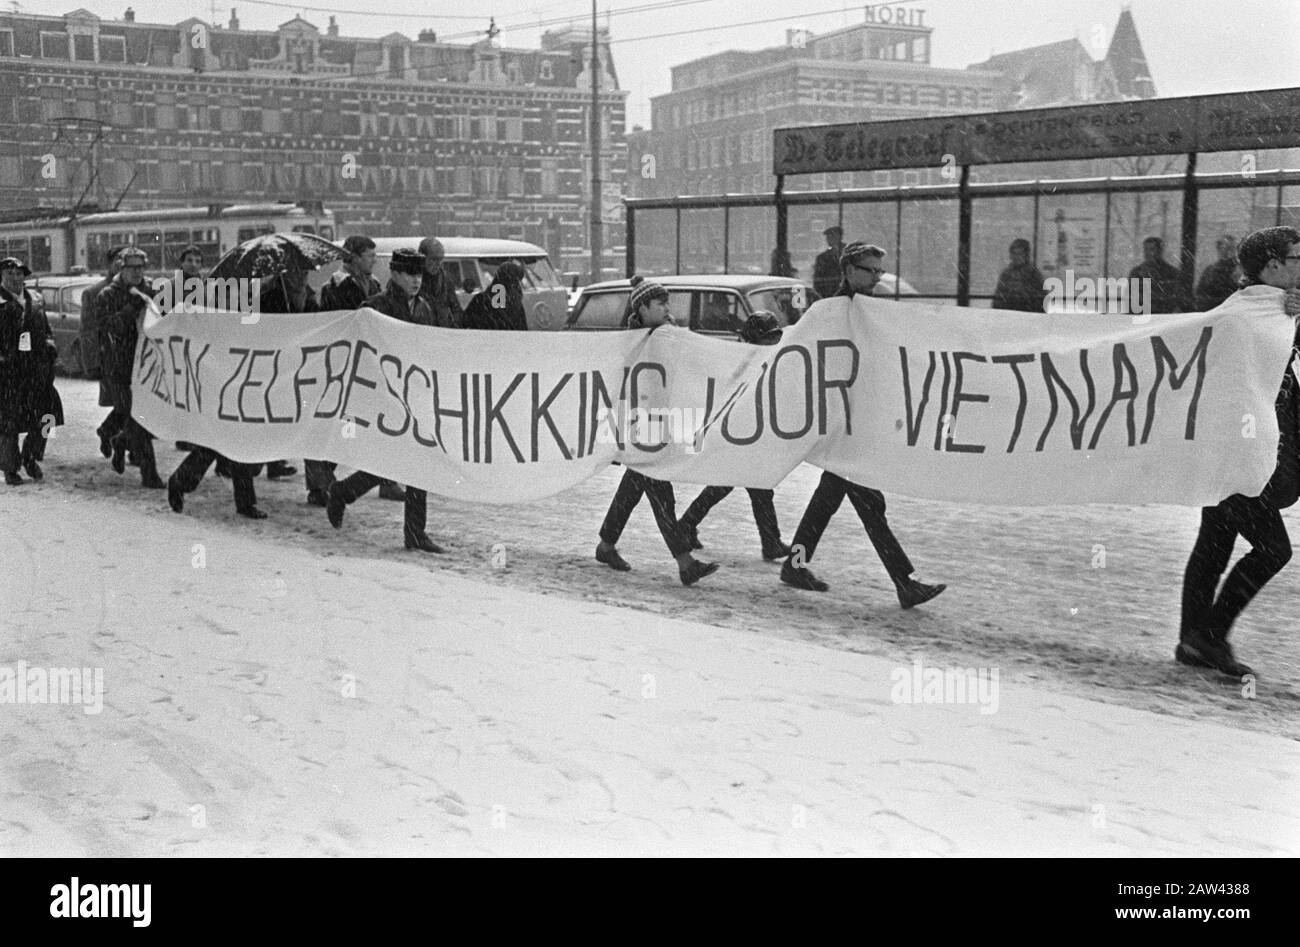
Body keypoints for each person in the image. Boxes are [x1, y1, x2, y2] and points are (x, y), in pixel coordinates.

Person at [780, 242, 947, 610]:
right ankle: (904, 583)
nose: (876, 278)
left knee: (830, 499)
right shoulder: (830, 312)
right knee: (869, 505)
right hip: (844, 426)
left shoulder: (876, 312)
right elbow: (804, 356)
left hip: (862, 424)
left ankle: (795, 565)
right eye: (869, 270)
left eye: (879, 272)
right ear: (849, 270)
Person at [1177, 226, 1300, 677]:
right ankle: (1208, 636)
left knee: (1214, 543)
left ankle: (1194, 640)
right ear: (1273, 266)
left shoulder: (1271, 311)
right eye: (1297, 258)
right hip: (1237, 453)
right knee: (1273, 549)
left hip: (1240, 451)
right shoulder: (1240, 317)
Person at [594, 276, 720, 586]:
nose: (667, 307)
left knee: (632, 489)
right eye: (660, 303)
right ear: (644, 307)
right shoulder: (632, 341)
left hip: (658, 424)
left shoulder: (664, 335)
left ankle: (606, 545)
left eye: (667, 302)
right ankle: (684, 562)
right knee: (662, 496)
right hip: (641, 428)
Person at [326, 249, 445, 553]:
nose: (416, 280)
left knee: (414, 459)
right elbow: (359, 348)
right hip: (383, 395)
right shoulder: (376, 308)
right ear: (394, 274)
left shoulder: (424, 307)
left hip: (413, 394)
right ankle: (343, 492)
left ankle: (413, 531)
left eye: (419, 274)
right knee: (396, 459)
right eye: (409, 274)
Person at [678, 310, 792, 561]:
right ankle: (769, 542)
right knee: (744, 487)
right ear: (755, 339)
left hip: (748, 436)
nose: (774, 342)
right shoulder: (743, 364)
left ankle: (687, 524)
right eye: (769, 337)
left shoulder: (763, 360)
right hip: (737, 436)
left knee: (732, 487)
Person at [304, 235, 384, 506]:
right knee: (333, 425)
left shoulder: (373, 284)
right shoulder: (336, 286)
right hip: (341, 366)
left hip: (363, 366)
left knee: (350, 427)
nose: (374, 260)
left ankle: (324, 478)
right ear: (353, 257)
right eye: (369, 256)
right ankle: (318, 484)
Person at [95, 247, 164, 488]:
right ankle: (149, 474)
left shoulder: (152, 290)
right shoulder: (107, 295)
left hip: (146, 364)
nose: (137, 272)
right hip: (120, 366)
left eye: (140, 267)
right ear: (120, 269)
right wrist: (130, 309)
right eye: (131, 267)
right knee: (136, 415)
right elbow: (108, 327)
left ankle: (117, 438)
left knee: (140, 415)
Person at [0, 258, 60, 485]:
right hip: (8, 372)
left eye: (19, 274)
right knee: (9, 422)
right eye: (9, 273)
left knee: (48, 416)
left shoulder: (35, 299)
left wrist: (49, 342)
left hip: (37, 368)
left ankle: (31, 456)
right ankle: (10, 468)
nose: (15, 278)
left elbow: (45, 327)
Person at [255, 265, 317, 482]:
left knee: (282, 415)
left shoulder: (308, 295)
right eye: (297, 271)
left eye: (305, 272)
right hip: (272, 362)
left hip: (297, 362)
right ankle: (264, 461)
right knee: (272, 413)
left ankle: (274, 461)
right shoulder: (269, 294)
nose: (302, 276)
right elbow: (257, 325)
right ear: (285, 272)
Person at [82, 246, 126, 459]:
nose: (122, 262)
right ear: (109, 264)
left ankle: (110, 432)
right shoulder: (95, 292)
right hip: (110, 358)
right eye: (118, 258)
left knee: (131, 404)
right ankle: (117, 436)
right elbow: (88, 330)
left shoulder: (139, 289)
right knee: (125, 403)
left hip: (133, 358)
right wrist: (92, 363)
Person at [1129, 236, 1189, 314]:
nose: (1147, 253)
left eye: (1152, 249)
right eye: (1145, 250)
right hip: (1141, 316)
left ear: (1159, 251)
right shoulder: (1136, 272)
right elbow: (1132, 298)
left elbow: (1176, 298)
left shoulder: (1172, 273)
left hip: (1163, 317)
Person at [462, 260, 528, 331]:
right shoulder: (516, 306)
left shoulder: (480, 299)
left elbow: (463, 322)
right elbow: (523, 333)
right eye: (516, 282)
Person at [416, 237, 465, 329]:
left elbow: (456, 309)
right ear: (422, 258)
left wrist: (455, 326)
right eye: (434, 259)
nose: (438, 264)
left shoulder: (446, 280)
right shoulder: (411, 279)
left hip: (443, 333)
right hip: (421, 333)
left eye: (441, 259)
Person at [991, 238, 1047, 312]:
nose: (1016, 257)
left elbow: (1040, 299)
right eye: (1014, 253)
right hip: (1008, 315)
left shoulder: (1033, 274)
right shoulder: (1006, 273)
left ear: (1026, 255)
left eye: (1020, 254)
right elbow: (998, 297)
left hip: (1027, 315)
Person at [1195, 235, 1240, 311]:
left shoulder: (1240, 270)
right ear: (1219, 249)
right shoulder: (1210, 271)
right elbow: (1200, 297)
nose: (1228, 252)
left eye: (1232, 248)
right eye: (1226, 248)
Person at [812, 226, 845, 299]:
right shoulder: (822, 257)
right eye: (828, 237)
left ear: (839, 237)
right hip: (828, 295)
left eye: (832, 236)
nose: (828, 239)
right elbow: (817, 280)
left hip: (843, 295)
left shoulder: (848, 253)